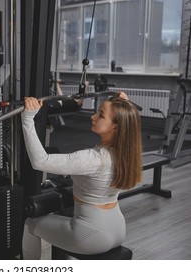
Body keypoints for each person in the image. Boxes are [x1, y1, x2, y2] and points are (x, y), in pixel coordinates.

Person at [20, 92, 142, 259]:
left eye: (101, 114)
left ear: (116, 127)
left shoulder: (92, 159)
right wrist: (123, 105)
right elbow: (129, 121)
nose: (93, 116)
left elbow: (40, 161)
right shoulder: (127, 153)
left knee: (30, 223)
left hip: (92, 236)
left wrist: (27, 118)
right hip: (118, 228)